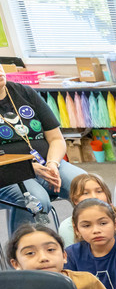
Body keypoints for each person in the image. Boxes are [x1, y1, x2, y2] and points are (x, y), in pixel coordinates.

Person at [0, 65, 86, 234]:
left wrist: (53, 164)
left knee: (87, 186)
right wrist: (26, 167)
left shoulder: (24, 93)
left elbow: (56, 138)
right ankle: (21, 256)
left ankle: (91, 249)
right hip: (8, 172)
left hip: (47, 163)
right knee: (36, 200)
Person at [59, 173, 116, 247]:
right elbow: (70, 257)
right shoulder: (67, 227)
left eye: (99, 191)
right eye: (86, 193)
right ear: (75, 200)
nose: (94, 196)